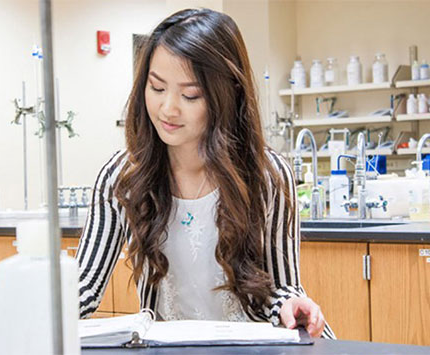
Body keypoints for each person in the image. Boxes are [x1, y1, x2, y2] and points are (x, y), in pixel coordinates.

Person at [76, 8, 335, 339]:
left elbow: (283, 287)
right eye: (156, 88)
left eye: (190, 95)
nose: (169, 108)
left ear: (225, 96)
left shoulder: (267, 174)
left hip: (255, 347)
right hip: (169, 347)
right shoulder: (122, 177)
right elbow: (83, 286)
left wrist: (290, 304)